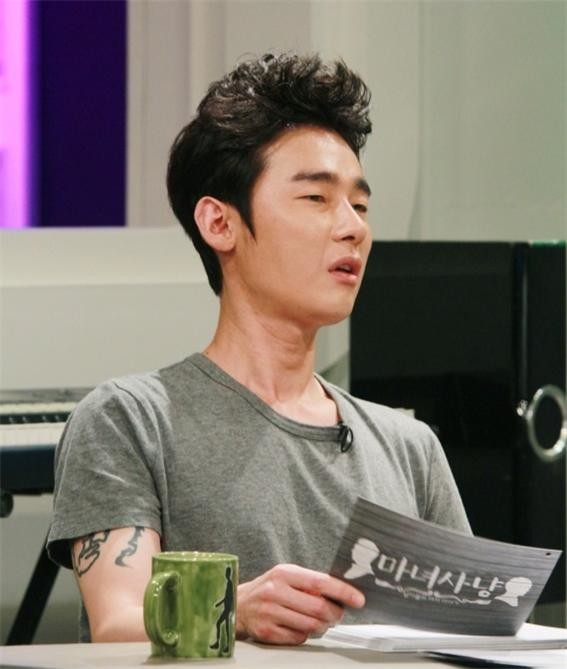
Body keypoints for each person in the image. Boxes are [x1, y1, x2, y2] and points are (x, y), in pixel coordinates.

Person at [47, 52, 471, 644]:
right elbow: (116, 624)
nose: (353, 227)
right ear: (219, 224)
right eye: (316, 198)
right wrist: (233, 610)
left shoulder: (409, 448)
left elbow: (466, 637)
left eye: (360, 205)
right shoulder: (131, 420)